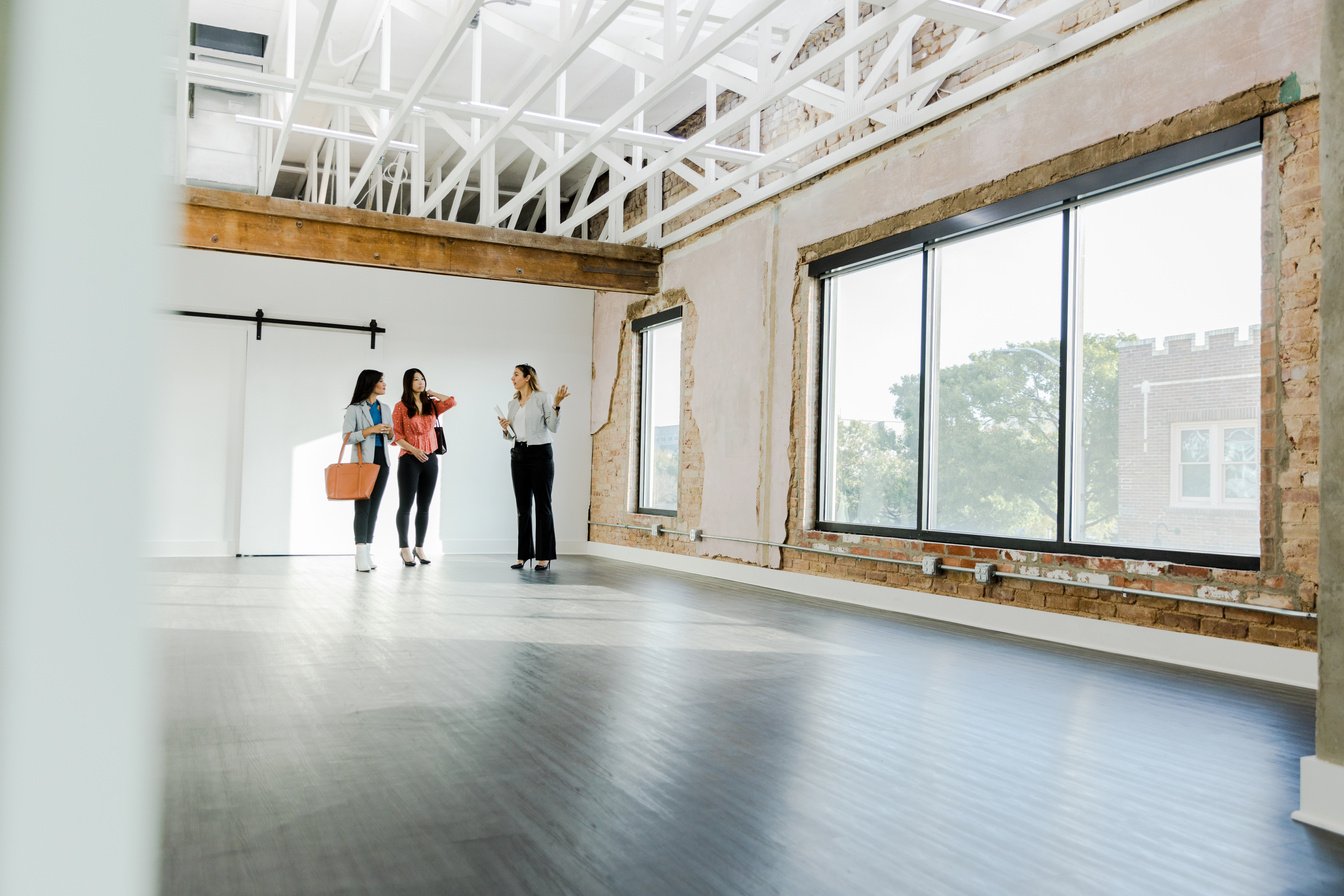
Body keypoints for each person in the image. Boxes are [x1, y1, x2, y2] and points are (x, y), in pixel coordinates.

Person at [497, 364, 569, 571]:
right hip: (518, 454)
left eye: (516, 374)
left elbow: (553, 427)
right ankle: (523, 555)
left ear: (527, 377)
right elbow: (512, 435)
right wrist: (505, 428)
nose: (512, 378)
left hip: (540, 454)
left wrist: (556, 404)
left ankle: (543, 557)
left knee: (543, 506)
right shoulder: (512, 403)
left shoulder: (542, 397)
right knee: (522, 508)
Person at [392, 368, 457, 567]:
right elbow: (397, 436)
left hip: (430, 459)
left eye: (422, 379)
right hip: (409, 460)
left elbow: (452, 401)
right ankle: (404, 547)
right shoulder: (401, 406)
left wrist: (434, 393)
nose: (420, 382)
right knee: (406, 505)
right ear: (408, 383)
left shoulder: (431, 405)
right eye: (416, 379)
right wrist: (415, 450)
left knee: (425, 506)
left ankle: (419, 547)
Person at [342, 369, 392, 572]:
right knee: (363, 507)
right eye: (381, 381)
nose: (384, 384)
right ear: (371, 384)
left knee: (375, 508)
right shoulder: (355, 409)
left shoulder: (385, 408)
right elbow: (346, 437)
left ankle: (368, 551)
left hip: (383, 461)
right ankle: (360, 552)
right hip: (364, 462)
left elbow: (391, 438)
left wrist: (390, 432)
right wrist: (369, 431)